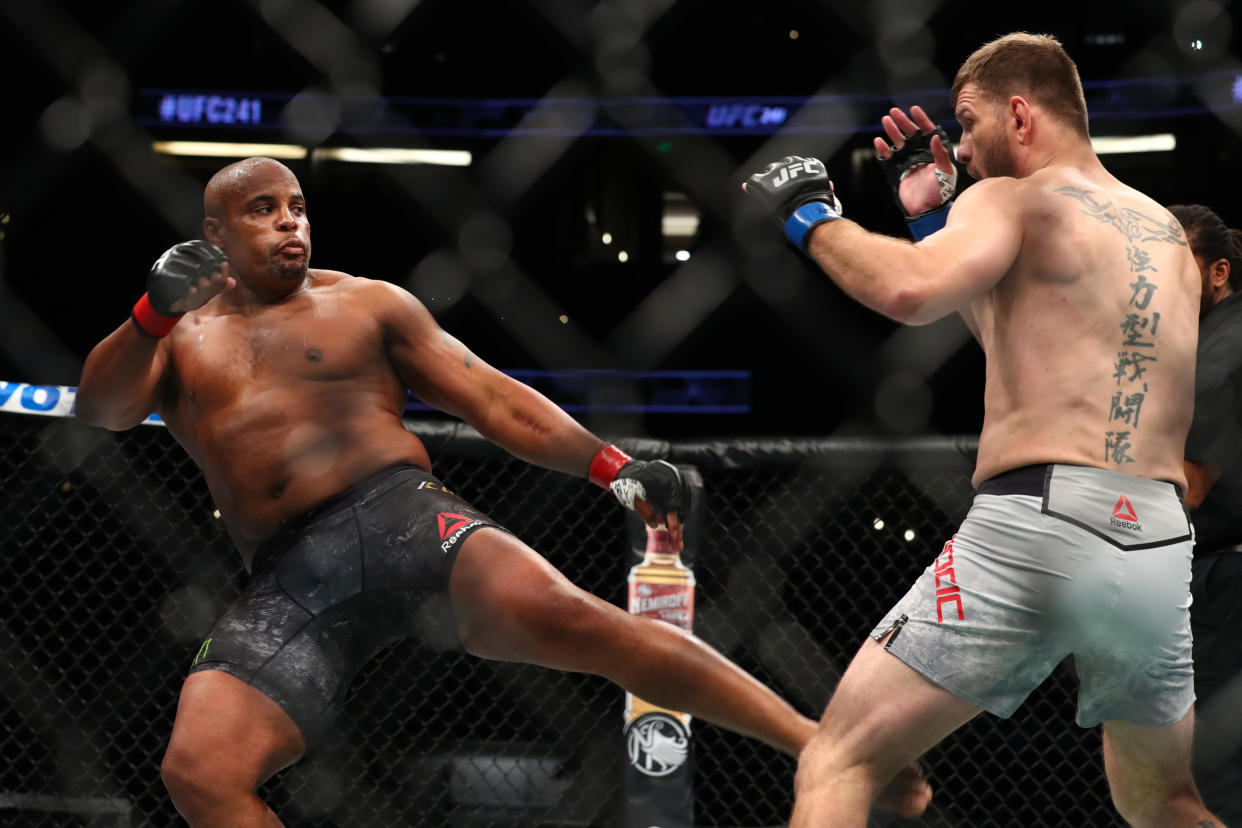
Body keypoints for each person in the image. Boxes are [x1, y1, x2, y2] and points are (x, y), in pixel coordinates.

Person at [74, 157, 932, 826]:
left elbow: (491, 396)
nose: (290, 223)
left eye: (297, 206)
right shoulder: (177, 337)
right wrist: (149, 313)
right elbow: (100, 410)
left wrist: (612, 467)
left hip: (400, 513)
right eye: (263, 211)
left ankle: (826, 750)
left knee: (581, 619)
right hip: (286, 576)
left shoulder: (365, 304)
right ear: (213, 233)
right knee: (198, 772)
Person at [744, 33, 1220, 826]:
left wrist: (808, 218)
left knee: (842, 758)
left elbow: (906, 294)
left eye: (967, 124)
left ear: (1021, 114)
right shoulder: (1165, 234)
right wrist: (931, 221)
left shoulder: (1011, 198)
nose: (960, 148)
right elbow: (1032, 344)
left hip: (1035, 525)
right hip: (1155, 541)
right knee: (1164, 803)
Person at [1169, 203, 1242, 824]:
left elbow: (1190, 486)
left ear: (1217, 272)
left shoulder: (1221, 349)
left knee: (1211, 772)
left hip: (1227, 581)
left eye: (1179, 266)